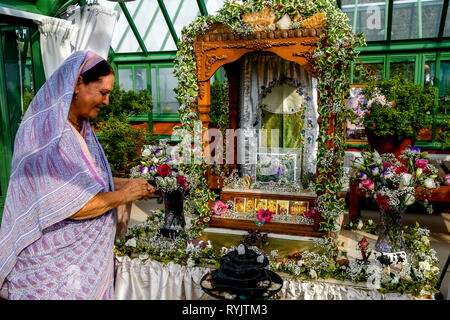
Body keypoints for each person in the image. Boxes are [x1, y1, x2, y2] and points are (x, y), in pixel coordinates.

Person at [0, 51, 155, 300]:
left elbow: (82, 184)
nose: (106, 102)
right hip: (52, 269)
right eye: (103, 92)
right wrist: (123, 195)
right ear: (77, 84)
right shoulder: (45, 133)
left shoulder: (81, 129)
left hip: (77, 265)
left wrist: (127, 184)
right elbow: (68, 204)